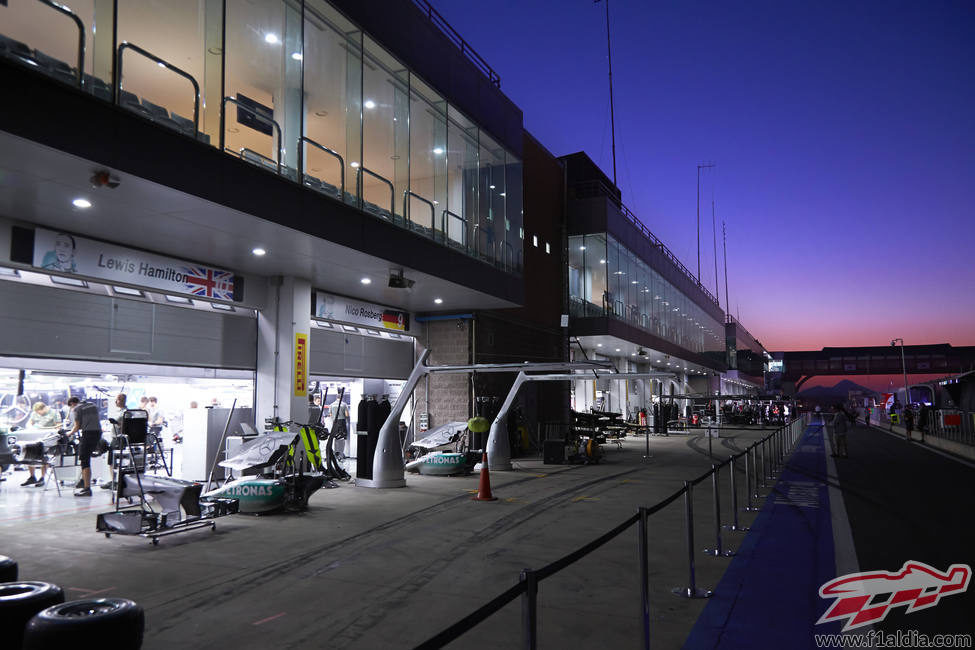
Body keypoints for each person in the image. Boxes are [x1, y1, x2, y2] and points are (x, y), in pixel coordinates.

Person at [66, 396, 102, 496]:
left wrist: (68, 434)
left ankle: (87, 488)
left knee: (84, 460)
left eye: (71, 406)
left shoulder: (77, 409)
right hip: (98, 433)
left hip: (88, 434)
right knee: (87, 457)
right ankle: (83, 481)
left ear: (73, 403)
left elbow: (77, 427)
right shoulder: (93, 405)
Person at [20, 402, 61, 487]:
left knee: (44, 457)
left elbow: (58, 426)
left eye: (39, 411)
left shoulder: (54, 413)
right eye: (37, 412)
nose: (38, 413)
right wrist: (30, 427)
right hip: (35, 436)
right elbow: (30, 423)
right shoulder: (34, 414)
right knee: (29, 455)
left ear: (44, 408)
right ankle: (32, 477)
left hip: (47, 438)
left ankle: (42, 478)